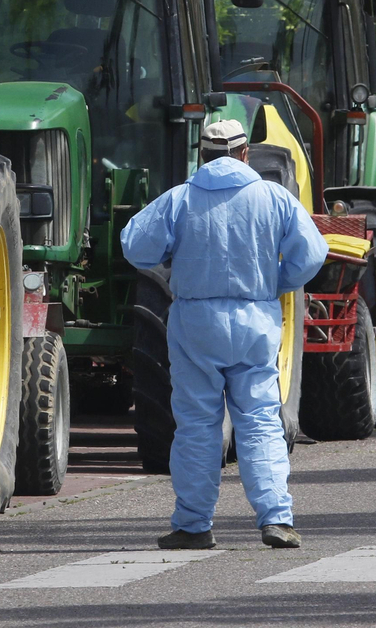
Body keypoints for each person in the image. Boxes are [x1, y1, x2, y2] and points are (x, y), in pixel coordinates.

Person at [120, 119, 327, 551]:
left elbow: (135, 246)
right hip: (256, 318)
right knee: (260, 421)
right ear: (245, 153)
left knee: (197, 425)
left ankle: (194, 524)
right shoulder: (274, 197)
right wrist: (278, 282)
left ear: (202, 154)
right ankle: (277, 519)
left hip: (196, 323)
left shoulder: (180, 198)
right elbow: (312, 252)